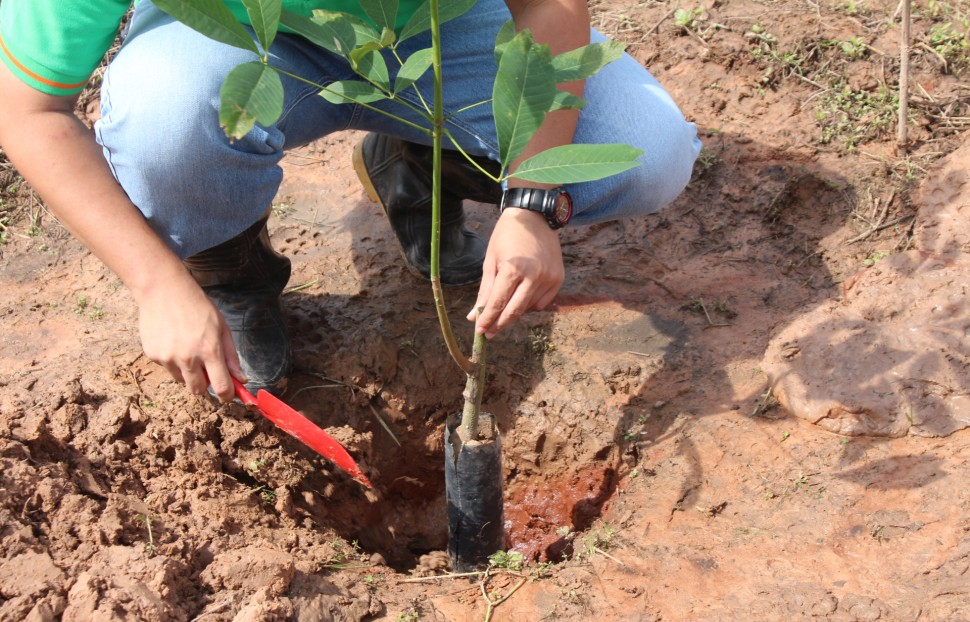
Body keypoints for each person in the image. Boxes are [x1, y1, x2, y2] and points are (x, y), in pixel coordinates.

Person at [0, 0, 700, 402]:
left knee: (647, 151)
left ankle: (425, 162)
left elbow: (550, 7)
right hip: (235, 35)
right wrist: (157, 283)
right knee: (166, 125)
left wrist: (531, 197)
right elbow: (25, 110)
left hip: (433, 19)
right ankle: (229, 272)